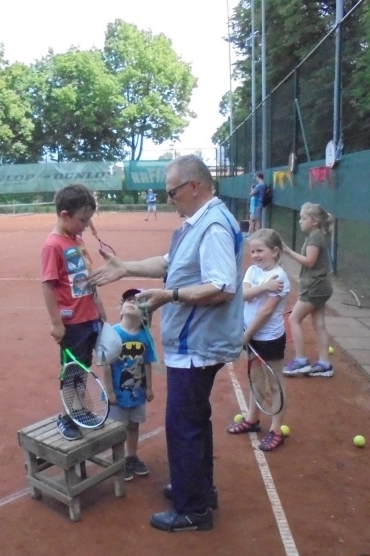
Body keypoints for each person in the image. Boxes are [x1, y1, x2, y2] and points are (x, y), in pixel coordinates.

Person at [89, 154, 243, 533]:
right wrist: (127, 267)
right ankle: (199, 490)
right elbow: (169, 262)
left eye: (172, 191)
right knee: (193, 420)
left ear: (194, 186)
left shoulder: (213, 227)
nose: (168, 198)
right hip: (194, 344)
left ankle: (193, 510)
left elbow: (222, 286)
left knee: (183, 425)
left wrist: (168, 296)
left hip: (198, 345)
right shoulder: (200, 222)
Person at [41, 183, 107, 441]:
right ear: (65, 215)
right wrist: (56, 323)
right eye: (82, 220)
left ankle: (79, 410)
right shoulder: (53, 245)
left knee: (83, 368)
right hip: (72, 322)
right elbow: (48, 285)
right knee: (71, 371)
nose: (85, 225)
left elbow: (86, 278)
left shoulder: (76, 239)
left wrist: (99, 308)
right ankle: (67, 416)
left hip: (89, 317)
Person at [226, 229, 290, 452]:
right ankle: (252, 420)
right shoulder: (253, 271)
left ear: (275, 251)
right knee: (255, 378)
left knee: (275, 383)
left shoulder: (280, 277)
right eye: (252, 251)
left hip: (269, 337)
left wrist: (247, 334)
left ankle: (276, 430)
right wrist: (263, 287)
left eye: (260, 251)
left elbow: (265, 311)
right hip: (251, 334)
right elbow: (243, 295)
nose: (255, 255)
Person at [103, 288, 156, 481]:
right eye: (128, 300)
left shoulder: (145, 336)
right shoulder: (113, 333)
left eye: (138, 301)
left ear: (146, 314)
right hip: (117, 393)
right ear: (120, 309)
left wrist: (149, 387)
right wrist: (110, 392)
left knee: (133, 426)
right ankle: (118, 461)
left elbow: (148, 362)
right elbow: (107, 365)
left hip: (137, 393)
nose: (132, 302)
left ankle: (130, 457)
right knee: (117, 429)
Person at [282, 202, 335, 377]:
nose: (300, 222)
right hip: (320, 285)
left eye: (303, 218)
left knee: (294, 319)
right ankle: (325, 363)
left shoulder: (314, 238)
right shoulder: (317, 235)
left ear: (314, 221)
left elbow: (309, 262)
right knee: (319, 324)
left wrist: (288, 251)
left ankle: (300, 360)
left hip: (315, 287)